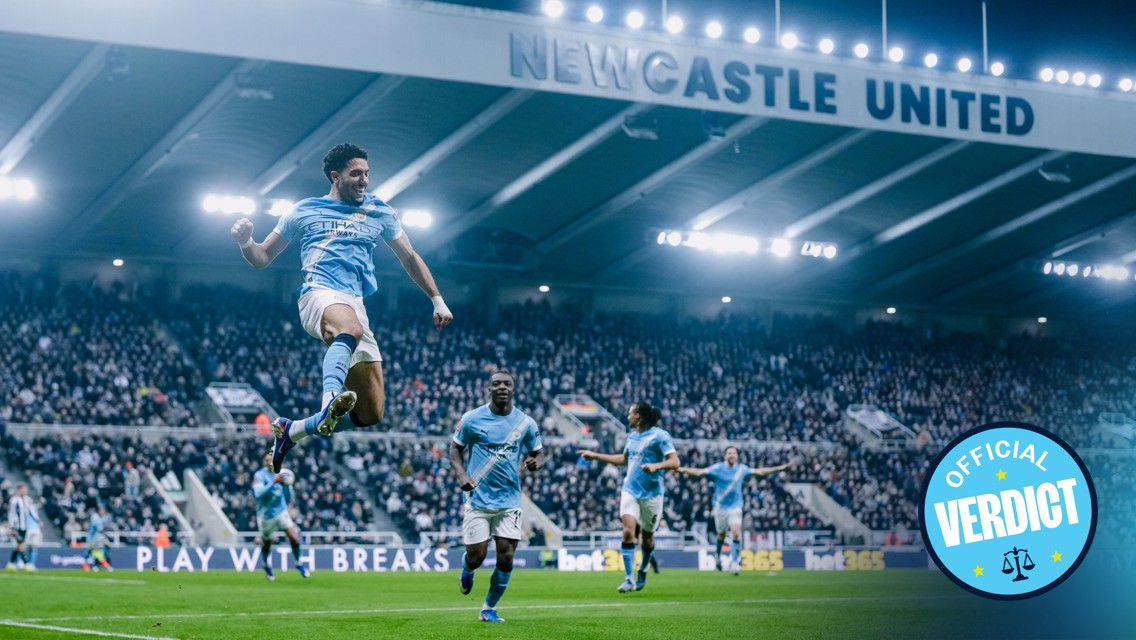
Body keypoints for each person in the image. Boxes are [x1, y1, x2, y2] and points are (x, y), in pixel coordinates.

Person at [230, 142, 453, 473]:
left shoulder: (381, 211)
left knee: (372, 412)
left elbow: (409, 257)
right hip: (317, 295)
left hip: (355, 305)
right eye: (355, 174)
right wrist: (246, 241)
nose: (364, 180)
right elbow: (262, 258)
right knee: (349, 329)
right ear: (335, 176)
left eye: (367, 173)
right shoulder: (303, 210)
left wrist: (437, 299)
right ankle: (328, 400)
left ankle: (293, 430)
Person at [450, 371, 543, 624]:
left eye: (507, 384)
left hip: (510, 500)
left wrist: (536, 462)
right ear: (488, 389)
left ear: (514, 389)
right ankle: (468, 569)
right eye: (496, 384)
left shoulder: (526, 423)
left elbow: (538, 452)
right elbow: (456, 448)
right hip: (477, 499)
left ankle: (488, 608)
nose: (502, 387)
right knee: (477, 557)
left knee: (506, 557)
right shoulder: (471, 418)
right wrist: (460, 474)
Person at [578, 401, 680, 593]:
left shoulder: (660, 436)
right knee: (627, 531)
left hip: (652, 495)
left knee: (647, 539)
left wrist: (656, 466)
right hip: (630, 490)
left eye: (630, 413)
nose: (627, 416)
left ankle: (643, 568)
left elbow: (675, 461)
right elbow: (623, 459)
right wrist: (596, 456)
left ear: (638, 416)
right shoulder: (632, 437)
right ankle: (628, 578)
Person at [677, 447, 792, 575]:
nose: (732, 455)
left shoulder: (742, 469)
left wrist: (780, 468)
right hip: (720, 508)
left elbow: (760, 472)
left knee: (736, 533)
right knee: (721, 535)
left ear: (737, 456)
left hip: (736, 507)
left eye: (734, 453)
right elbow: (699, 473)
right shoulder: (718, 468)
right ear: (725, 456)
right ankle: (718, 556)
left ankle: (735, 563)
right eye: (729, 453)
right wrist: (681, 469)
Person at [252, 451, 309, 581]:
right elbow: (258, 494)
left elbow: (289, 497)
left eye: (271, 460)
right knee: (267, 543)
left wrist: (287, 486)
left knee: (294, 538)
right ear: (263, 462)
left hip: (281, 511)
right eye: (266, 460)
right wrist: (273, 482)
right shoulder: (260, 475)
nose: (269, 462)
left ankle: (298, 562)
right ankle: (266, 565)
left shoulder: (282, 473)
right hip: (266, 515)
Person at [6, 483, 35, 571]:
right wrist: (12, 527)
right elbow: (11, 514)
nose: (24, 491)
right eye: (23, 489)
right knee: (21, 544)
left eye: (25, 489)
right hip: (16, 526)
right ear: (19, 490)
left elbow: (32, 511)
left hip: (25, 526)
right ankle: (27, 563)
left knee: (19, 545)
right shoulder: (14, 500)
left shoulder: (28, 500)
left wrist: (38, 520)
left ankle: (10, 563)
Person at [82, 505, 112, 572]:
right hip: (91, 537)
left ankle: (94, 565)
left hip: (98, 537)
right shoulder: (95, 517)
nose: (103, 512)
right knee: (90, 551)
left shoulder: (102, 517)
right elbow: (99, 528)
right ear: (98, 511)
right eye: (101, 510)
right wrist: (106, 536)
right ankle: (86, 565)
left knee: (97, 551)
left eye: (103, 510)